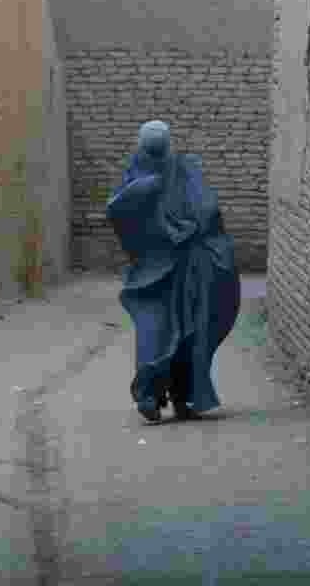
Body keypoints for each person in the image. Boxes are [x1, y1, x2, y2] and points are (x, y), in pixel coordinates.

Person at [106, 121, 241, 423]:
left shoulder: (175, 171)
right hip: (159, 273)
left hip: (185, 270)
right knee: (166, 334)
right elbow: (119, 213)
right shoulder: (148, 176)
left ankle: (172, 396)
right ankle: (158, 395)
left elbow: (205, 213)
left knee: (180, 333)